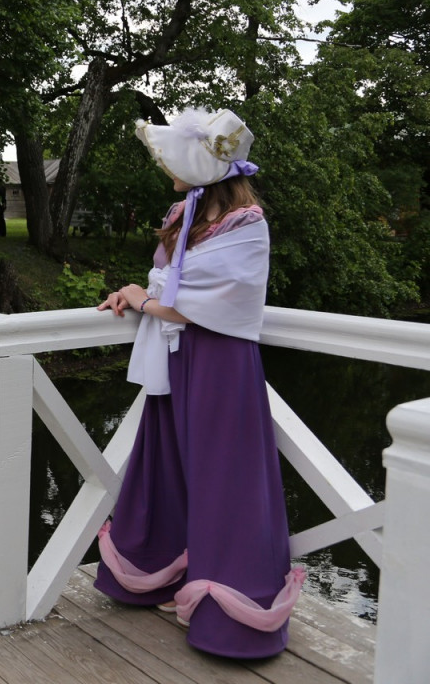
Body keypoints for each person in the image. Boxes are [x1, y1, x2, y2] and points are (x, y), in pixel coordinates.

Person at [93, 108, 303, 659]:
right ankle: (165, 572)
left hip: (218, 362)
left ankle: (228, 612)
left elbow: (214, 300)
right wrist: (141, 291)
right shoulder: (185, 211)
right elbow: (170, 283)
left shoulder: (246, 222)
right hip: (177, 358)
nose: (167, 170)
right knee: (169, 459)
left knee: (224, 475)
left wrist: (146, 299)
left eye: (173, 161)